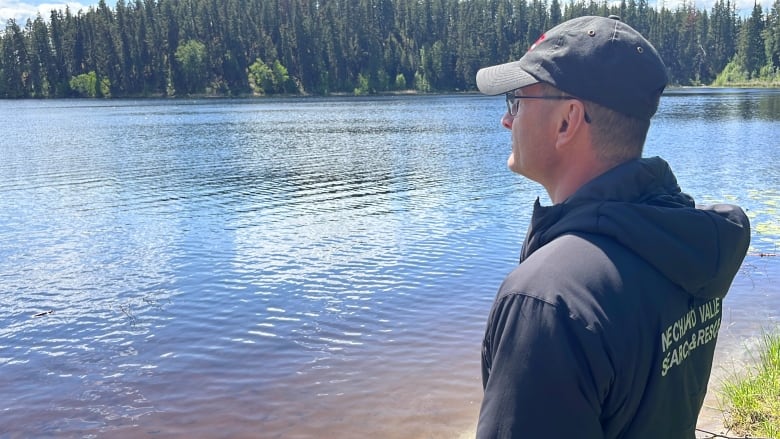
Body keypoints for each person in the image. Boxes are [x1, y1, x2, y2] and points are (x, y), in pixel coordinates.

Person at [473, 15, 751, 438]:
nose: (506, 120)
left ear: (567, 121)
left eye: (516, 100)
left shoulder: (549, 302)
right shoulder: (687, 241)